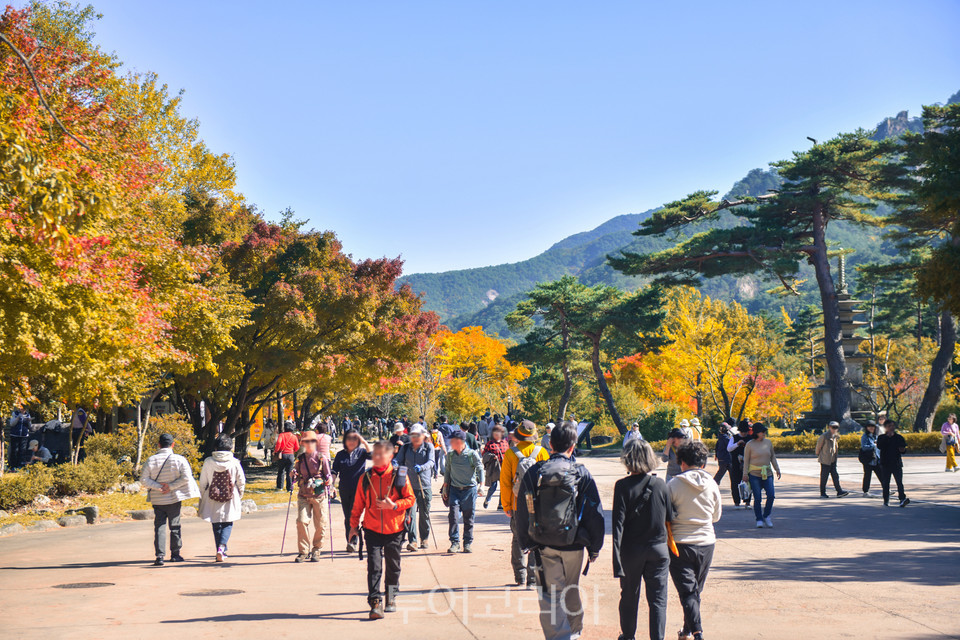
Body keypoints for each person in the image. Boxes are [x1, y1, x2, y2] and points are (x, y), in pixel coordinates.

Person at [515, 421, 604, 640]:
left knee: (551, 593)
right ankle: (574, 631)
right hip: (574, 543)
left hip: (543, 544)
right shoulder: (581, 473)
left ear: (550, 445)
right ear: (572, 447)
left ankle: (561, 636)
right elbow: (595, 512)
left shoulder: (536, 472)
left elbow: (522, 509)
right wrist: (595, 547)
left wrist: (526, 541)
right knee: (571, 586)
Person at [349, 440, 416, 620]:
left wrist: (393, 506)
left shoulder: (400, 475)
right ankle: (375, 603)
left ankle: (391, 597)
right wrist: (353, 526)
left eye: (381, 454)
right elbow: (358, 504)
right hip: (371, 530)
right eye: (374, 454)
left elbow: (410, 499)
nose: (376, 457)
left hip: (395, 529)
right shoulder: (366, 478)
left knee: (394, 567)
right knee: (374, 567)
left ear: (390, 455)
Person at [613, 438, 671, 640]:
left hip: (631, 551)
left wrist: (616, 560)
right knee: (658, 599)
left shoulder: (622, 486)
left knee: (629, 595)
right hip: (658, 549)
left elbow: (617, 525)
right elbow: (669, 517)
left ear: (627, 460)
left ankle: (628, 635)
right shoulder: (660, 485)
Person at [667, 441, 722, 640]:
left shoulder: (673, 484)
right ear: (703, 464)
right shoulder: (712, 484)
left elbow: (667, 515)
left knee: (687, 592)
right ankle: (688, 630)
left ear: (681, 462)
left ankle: (697, 633)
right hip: (707, 542)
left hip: (680, 544)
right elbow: (716, 516)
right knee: (694, 591)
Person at [501, 420, 550, 587]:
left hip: (517, 503)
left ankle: (520, 576)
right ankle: (532, 577)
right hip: (537, 504)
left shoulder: (510, 454)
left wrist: (507, 505)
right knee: (536, 539)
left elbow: (506, 483)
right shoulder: (542, 452)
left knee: (517, 539)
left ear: (518, 435)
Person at [141, 433, 199, 566]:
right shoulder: (179, 460)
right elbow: (186, 477)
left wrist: (159, 487)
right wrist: (171, 487)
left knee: (159, 526)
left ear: (159, 445)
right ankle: (175, 554)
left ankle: (160, 556)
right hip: (174, 498)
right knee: (175, 525)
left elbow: (144, 479)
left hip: (157, 499)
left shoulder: (151, 460)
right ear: (173, 444)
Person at [198, 434, 246, 562]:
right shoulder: (234, 462)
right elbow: (241, 480)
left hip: (212, 496)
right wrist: (239, 494)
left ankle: (219, 550)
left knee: (216, 523)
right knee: (228, 522)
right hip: (231, 496)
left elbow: (203, 482)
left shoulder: (208, 462)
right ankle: (222, 547)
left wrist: (202, 495)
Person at [442, 430, 484, 553]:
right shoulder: (450, 455)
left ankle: (467, 543)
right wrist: (445, 487)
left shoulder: (471, 455)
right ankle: (455, 542)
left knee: (469, 517)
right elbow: (448, 471)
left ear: (459, 442)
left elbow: (480, 469)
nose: (450, 443)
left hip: (469, 490)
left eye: (452, 441)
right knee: (453, 517)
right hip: (454, 489)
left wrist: (481, 485)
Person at [332, 428, 372, 553]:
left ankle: (353, 541)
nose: (351, 441)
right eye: (349, 439)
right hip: (344, 489)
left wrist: (364, 442)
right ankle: (350, 540)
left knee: (355, 515)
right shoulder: (340, 454)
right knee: (348, 516)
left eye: (355, 439)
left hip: (359, 489)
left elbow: (372, 456)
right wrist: (331, 485)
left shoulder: (362, 452)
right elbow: (334, 471)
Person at [397, 425, 435, 551]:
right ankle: (412, 541)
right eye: (413, 435)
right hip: (409, 487)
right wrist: (396, 466)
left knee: (424, 514)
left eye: (417, 435)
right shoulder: (405, 447)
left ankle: (424, 538)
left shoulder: (428, 447)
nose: (415, 437)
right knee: (410, 515)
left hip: (424, 485)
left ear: (423, 435)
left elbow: (431, 462)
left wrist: (422, 467)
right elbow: (399, 461)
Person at [742, 423, 781, 528]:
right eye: (762, 432)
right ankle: (759, 518)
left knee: (771, 495)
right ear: (756, 432)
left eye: (765, 432)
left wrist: (777, 469)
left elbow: (773, 457)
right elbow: (746, 460)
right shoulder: (750, 444)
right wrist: (745, 474)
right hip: (754, 474)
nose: (764, 433)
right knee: (757, 497)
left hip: (767, 473)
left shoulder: (768, 443)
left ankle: (767, 515)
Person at [878, 419, 909, 507]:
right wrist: (888, 437)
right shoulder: (881, 438)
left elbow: (903, 449)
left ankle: (902, 499)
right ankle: (886, 499)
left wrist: (903, 450)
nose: (891, 428)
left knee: (899, 482)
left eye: (892, 426)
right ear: (885, 428)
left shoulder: (899, 437)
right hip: (885, 463)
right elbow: (880, 446)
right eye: (889, 426)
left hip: (896, 463)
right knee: (885, 483)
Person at [816, 421, 850, 498]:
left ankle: (839, 491)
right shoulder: (824, 436)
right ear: (829, 427)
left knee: (835, 476)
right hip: (825, 460)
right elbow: (818, 447)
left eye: (836, 427)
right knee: (824, 476)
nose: (835, 429)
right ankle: (823, 492)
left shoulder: (835, 436)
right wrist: (820, 456)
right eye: (833, 427)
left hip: (833, 460)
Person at [481, 424, 509, 509]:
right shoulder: (490, 444)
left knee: (503, 487)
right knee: (493, 486)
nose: (497, 435)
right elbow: (484, 454)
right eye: (495, 433)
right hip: (494, 468)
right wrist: (491, 456)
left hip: (504, 467)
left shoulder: (505, 443)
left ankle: (501, 504)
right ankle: (487, 499)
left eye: (498, 433)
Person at [728, 423, 752, 509]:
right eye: (742, 432)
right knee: (735, 483)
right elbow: (729, 448)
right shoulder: (734, 438)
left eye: (745, 432)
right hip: (735, 464)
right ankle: (737, 502)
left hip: (747, 463)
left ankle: (747, 502)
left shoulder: (750, 438)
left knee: (748, 483)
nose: (744, 434)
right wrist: (737, 444)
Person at [274, 421, 299, 491]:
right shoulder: (294, 436)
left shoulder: (281, 435)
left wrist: (276, 450)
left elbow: (278, 442)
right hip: (291, 455)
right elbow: (297, 447)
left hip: (283, 455)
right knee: (290, 472)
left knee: (281, 471)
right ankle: (289, 488)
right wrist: (293, 450)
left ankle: (280, 486)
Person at [859, 420, 882, 496]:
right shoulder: (865, 436)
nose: (871, 428)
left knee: (881, 474)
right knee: (867, 476)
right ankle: (865, 491)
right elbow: (864, 447)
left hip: (876, 459)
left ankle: (886, 488)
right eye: (869, 426)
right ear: (866, 427)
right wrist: (873, 446)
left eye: (873, 426)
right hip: (868, 459)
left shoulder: (876, 436)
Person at [713, 423, 732, 487]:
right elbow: (730, 446)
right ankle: (714, 483)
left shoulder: (720, 437)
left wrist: (716, 455)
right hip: (726, 458)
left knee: (721, 471)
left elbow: (716, 447)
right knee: (722, 472)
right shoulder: (726, 438)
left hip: (721, 458)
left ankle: (714, 483)